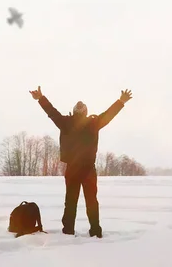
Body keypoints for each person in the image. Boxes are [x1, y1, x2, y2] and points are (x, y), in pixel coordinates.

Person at [29, 85, 133, 238]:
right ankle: (95, 231)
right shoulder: (93, 123)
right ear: (86, 112)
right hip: (88, 170)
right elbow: (109, 115)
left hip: (73, 169)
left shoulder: (66, 122)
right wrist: (121, 101)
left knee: (70, 201)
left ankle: (68, 231)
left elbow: (52, 112)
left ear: (75, 111)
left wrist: (40, 98)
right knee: (92, 202)